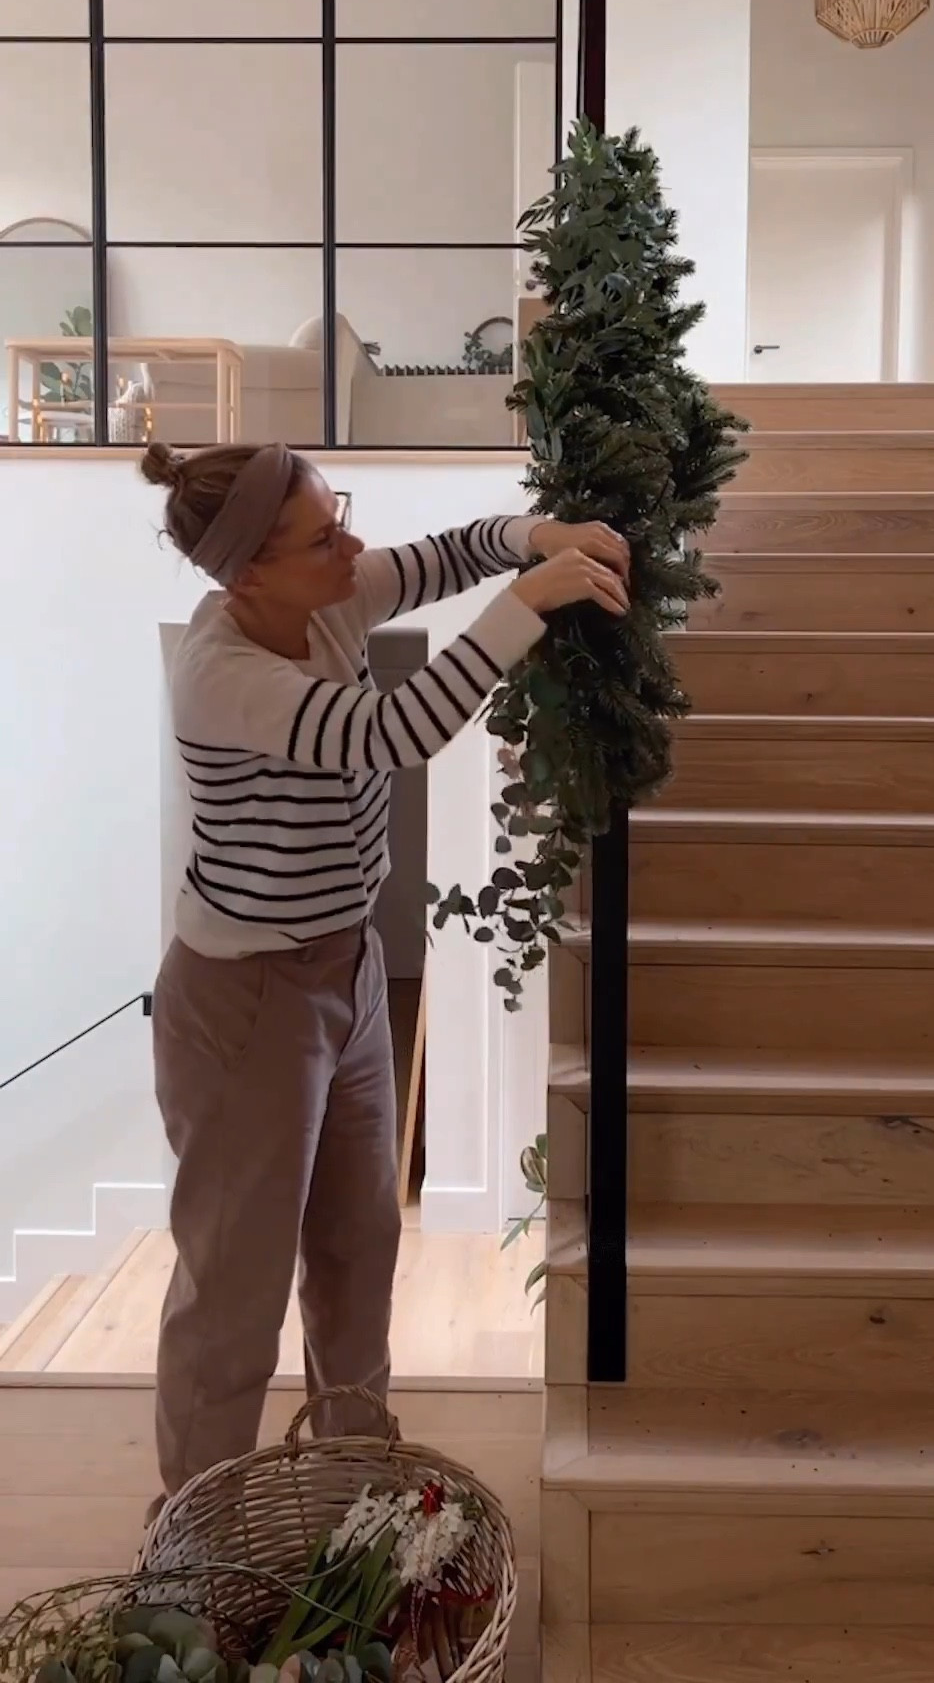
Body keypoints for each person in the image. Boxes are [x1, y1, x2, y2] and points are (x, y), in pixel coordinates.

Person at [141, 438, 629, 1501]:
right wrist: (529, 605)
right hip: (245, 1003)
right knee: (235, 1293)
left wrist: (531, 538)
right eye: (323, 536)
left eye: (341, 513)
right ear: (247, 572)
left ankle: (353, 1497)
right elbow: (392, 733)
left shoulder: (328, 596)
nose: (353, 545)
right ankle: (192, 1553)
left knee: (358, 1253)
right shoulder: (221, 676)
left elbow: (447, 555)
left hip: (349, 972)